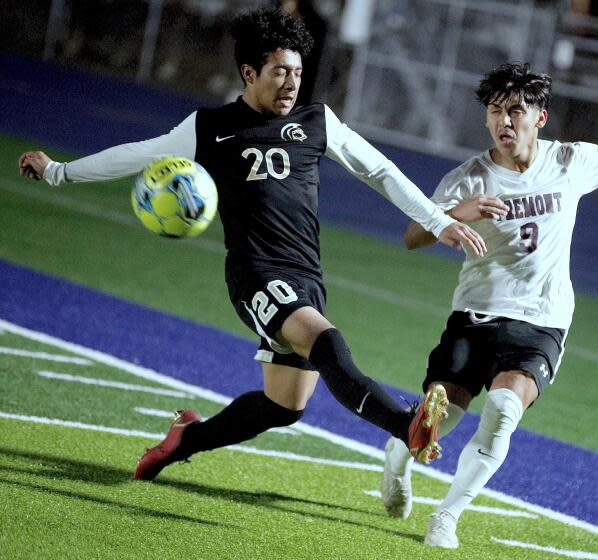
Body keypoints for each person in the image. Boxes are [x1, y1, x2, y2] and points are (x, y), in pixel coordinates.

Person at [18, 8, 489, 481]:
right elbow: (137, 154)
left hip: (306, 276)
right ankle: (406, 426)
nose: (292, 83)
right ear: (249, 72)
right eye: (280, 71)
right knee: (327, 342)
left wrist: (437, 219)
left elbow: (380, 170)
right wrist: (59, 171)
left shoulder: (317, 121)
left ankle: (184, 440)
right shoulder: (210, 127)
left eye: (299, 72)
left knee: (284, 406)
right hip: (256, 274)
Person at [379, 62, 598, 548]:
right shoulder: (468, 178)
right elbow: (412, 237)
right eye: (494, 112)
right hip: (476, 314)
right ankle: (397, 458)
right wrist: (455, 214)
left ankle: (447, 515)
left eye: (515, 111)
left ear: (539, 118)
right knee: (440, 418)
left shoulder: (569, 161)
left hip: (542, 320)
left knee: (504, 409)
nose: (503, 122)